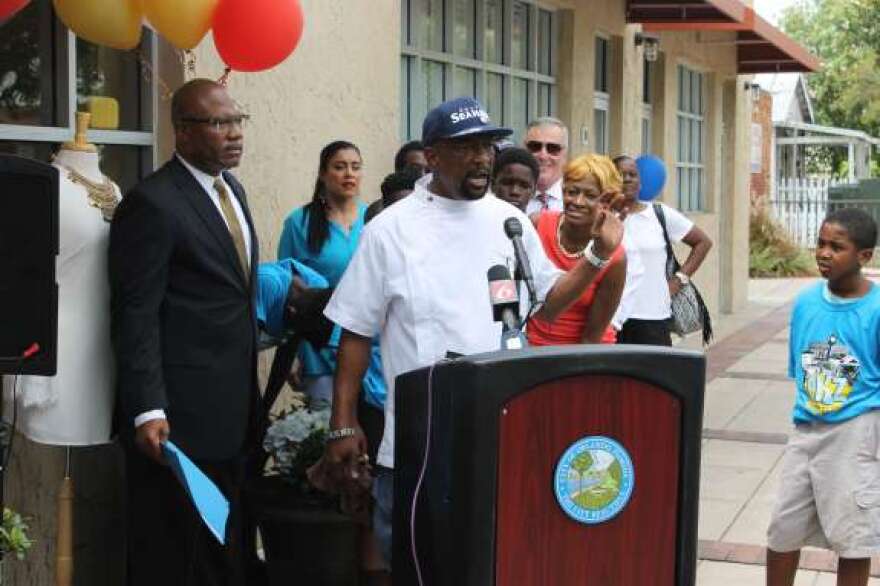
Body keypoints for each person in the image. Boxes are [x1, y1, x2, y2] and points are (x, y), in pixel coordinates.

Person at [321, 97, 624, 569]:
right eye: (468, 147)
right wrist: (343, 420)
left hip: (498, 430)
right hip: (419, 442)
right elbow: (356, 332)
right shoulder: (390, 230)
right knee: (419, 563)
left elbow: (547, 306)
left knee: (490, 561)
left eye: (488, 146)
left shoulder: (508, 222)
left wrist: (597, 258)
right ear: (435, 155)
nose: (483, 157)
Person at [109, 79, 259, 586]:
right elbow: (137, 313)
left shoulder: (231, 190)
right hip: (177, 418)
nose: (234, 134)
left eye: (238, 120)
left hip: (233, 408)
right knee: (174, 554)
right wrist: (147, 406)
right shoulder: (152, 203)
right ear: (183, 133)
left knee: (222, 548)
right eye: (219, 124)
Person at [766, 209, 880, 586]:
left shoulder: (876, 310)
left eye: (837, 246)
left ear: (864, 256)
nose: (824, 253)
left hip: (854, 432)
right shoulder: (805, 303)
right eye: (820, 243)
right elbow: (800, 370)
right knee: (782, 529)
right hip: (806, 428)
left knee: (852, 540)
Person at [277, 140, 371, 408]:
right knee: (330, 433)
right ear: (322, 173)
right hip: (319, 349)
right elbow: (287, 290)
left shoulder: (375, 218)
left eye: (355, 167)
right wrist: (291, 353)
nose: (349, 174)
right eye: (340, 167)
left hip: (369, 346)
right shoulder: (300, 222)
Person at [612, 155, 712, 346]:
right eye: (620, 174)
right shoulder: (602, 217)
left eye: (632, 174)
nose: (627, 179)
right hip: (610, 318)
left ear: (640, 182)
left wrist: (678, 281)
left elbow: (703, 243)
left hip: (653, 317)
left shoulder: (659, 214)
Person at [527, 154, 627, 345]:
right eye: (572, 192)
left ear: (608, 201)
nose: (578, 201)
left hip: (583, 354)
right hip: (530, 348)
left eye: (590, 196)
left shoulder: (614, 257)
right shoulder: (538, 224)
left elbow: (592, 337)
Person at [522, 117, 568, 214]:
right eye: (535, 147)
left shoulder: (578, 201)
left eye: (553, 148)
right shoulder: (508, 197)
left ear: (565, 153)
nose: (543, 156)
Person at [491, 146, 539, 212]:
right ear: (493, 184)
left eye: (524, 186)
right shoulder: (477, 220)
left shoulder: (533, 222)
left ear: (533, 191)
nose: (515, 191)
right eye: (507, 183)